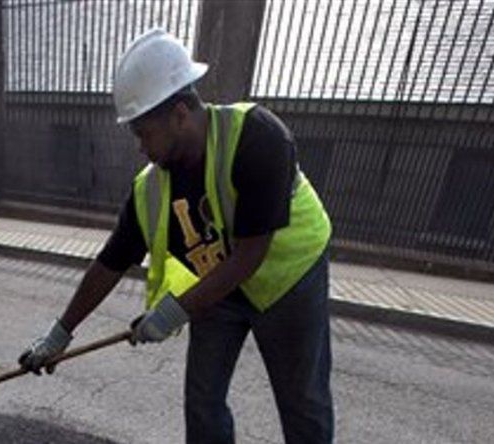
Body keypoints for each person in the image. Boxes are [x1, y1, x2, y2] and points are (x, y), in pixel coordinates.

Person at [19, 28, 334, 444]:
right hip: (220, 289)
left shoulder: (258, 137)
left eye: (143, 133)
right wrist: (61, 332)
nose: (140, 148)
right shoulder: (150, 189)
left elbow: (250, 255)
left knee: (302, 402)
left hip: (289, 278)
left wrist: (172, 312)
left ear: (180, 114)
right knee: (202, 401)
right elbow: (111, 261)